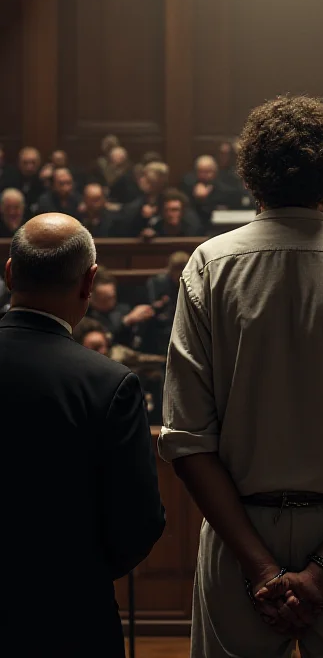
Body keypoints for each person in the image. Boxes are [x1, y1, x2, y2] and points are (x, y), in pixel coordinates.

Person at [159, 94, 323, 658]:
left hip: (238, 533)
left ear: (250, 178)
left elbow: (185, 437)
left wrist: (258, 567)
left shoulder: (208, 266)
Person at [1, 213, 164, 658]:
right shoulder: (108, 383)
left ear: (10, 272)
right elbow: (139, 525)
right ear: (89, 282)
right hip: (70, 619)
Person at [88, 268, 155, 347]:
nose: (111, 302)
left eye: (113, 297)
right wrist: (126, 321)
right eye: (105, 299)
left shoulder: (123, 309)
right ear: (91, 298)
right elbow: (108, 339)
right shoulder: (87, 318)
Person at [145, 251, 190, 355]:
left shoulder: (191, 280)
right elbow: (152, 306)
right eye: (177, 270)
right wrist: (160, 304)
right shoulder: (158, 282)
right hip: (163, 322)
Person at [119, 161, 170, 236]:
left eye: (147, 179)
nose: (141, 180)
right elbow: (124, 229)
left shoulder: (170, 201)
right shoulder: (134, 202)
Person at [15, 146, 44, 212]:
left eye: (33, 163)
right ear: (19, 163)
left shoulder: (44, 183)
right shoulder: (11, 181)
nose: (29, 167)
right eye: (25, 163)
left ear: (39, 163)